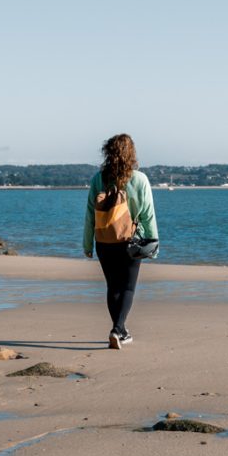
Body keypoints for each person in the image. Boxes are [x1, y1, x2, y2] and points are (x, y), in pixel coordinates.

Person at [82, 132, 157, 348]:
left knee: (112, 287)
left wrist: (87, 244)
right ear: (131, 153)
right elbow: (148, 214)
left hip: (104, 240)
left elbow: (89, 214)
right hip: (130, 241)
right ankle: (117, 329)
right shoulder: (140, 179)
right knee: (128, 288)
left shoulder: (98, 179)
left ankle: (120, 329)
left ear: (108, 152)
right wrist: (153, 244)